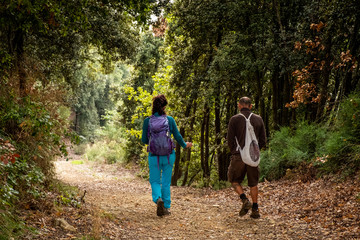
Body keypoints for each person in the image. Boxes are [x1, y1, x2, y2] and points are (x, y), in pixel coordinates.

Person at [142, 94, 192, 216]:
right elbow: (177, 136)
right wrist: (185, 145)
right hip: (169, 155)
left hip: (154, 156)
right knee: (165, 182)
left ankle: (158, 198)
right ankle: (166, 206)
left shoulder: (147, 121)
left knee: (154, 180)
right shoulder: (169, 120)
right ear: (164, 107)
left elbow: (144, 140)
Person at [227, 96, 266, 219]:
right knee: (253, 183)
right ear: (250, 106)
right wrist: (255, 151)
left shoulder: (234, 119)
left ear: (239, 105)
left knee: (234, 180)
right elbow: (263, 140)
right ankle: (255, 209)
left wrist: (235, 152)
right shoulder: (258, 119)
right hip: (253, 155)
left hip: (239, 155)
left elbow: (230, 139)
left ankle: (244, 200)